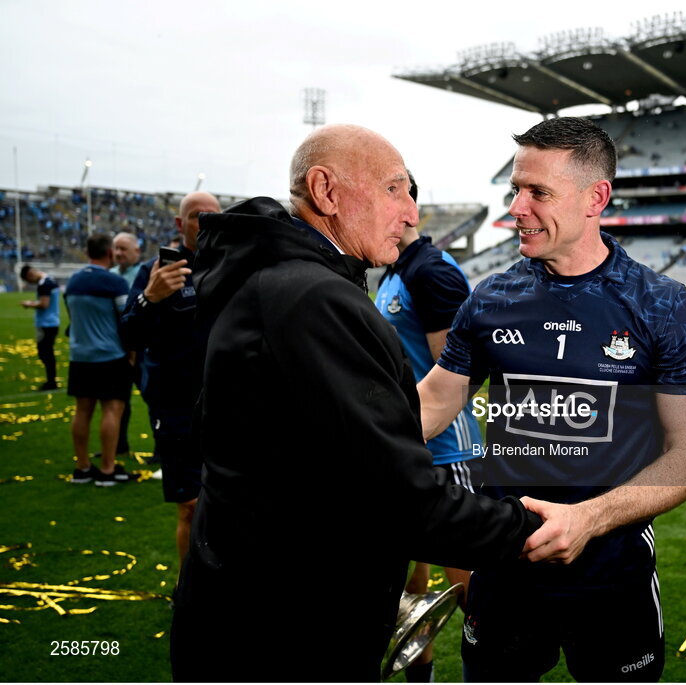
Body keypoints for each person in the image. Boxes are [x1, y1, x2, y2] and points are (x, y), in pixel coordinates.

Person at [169, 124, 541, 682]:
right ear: (326, 191)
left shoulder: (284, 280)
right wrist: (531, 527)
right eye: (396, 189)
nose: (412, 213)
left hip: (257, 607)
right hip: (284, 636)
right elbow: (398, 498)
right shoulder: (312, 295)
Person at [418, 117, 686, 682]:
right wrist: (342, 437)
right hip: (503, 565)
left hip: (612, 572)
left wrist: (589, 519)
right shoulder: (491, 297)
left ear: (594, 198)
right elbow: (435, 401)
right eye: (514, 191)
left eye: (538, 193)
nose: (516, 209)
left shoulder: (660, 305)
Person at [374, 172, 481, 683]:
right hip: (402, 444)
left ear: (405, 204)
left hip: (445, 450)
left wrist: (420, 425)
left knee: (469, 583)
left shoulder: (432, 272)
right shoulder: (393, 267)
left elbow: (456, 375)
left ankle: (494, 666)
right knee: (408, 576)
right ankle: (422, 674)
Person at [120, 192, 221, 562]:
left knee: (230, 504)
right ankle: (189, 593)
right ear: (180, 225)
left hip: (228, 403)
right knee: (191, 506)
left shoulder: (231, 267)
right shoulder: (155, 271)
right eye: (197, 216)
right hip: (176, 405)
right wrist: (151, 296)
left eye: (213, 216)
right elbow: (128, 335)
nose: (206, 222)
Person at [63, 233, 133, 486]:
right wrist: (132, 352)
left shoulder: (73, 281)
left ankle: (82, 467)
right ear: (110, 253)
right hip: (110, 355)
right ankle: (107, 469)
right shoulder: (114, 282)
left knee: (82, 411)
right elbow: (127, 319)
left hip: (80, 355)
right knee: (112, 409)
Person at [108, 232, 143, 459]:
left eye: (124, 248)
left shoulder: (145, 273)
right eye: (116, 248)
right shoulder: (109, 275)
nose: (119, 253)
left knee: (155, 399)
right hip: (116, 350)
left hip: (143, 349)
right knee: (119, 400)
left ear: (136, 251)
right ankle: (118, 445)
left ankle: (162, 449)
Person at [19, 264, 61, 391]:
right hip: (53, 321)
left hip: (46, 323)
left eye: (28, 280)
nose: (30, 283)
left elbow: (44, 304)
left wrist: (29, 304)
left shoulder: (44, 284)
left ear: (30, 275)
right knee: (47, 352)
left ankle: (51, 382)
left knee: (45, 353)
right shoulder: (50, 279)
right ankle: (51, 380)